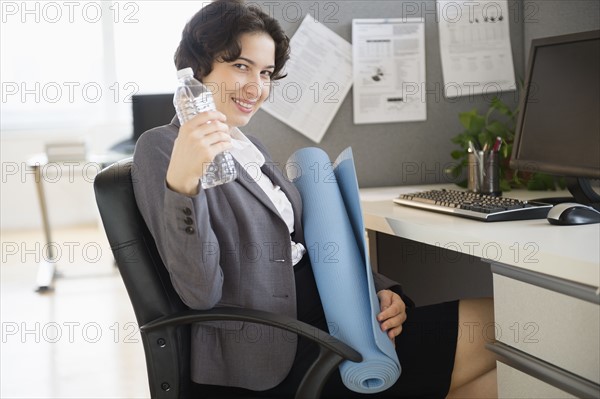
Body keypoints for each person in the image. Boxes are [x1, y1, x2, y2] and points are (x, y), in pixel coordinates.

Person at [132, 0, 497, 397]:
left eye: (266, 72)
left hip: (335, 315)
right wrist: (185, 181)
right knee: (506, 330)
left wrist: (381, 290)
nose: (257, 88)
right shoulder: (163, 147)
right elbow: (200, 291)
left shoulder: (247, 145)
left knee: (501, 370)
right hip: (280, 349)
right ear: (197, 67)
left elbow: (310, 243)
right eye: (241, 66)